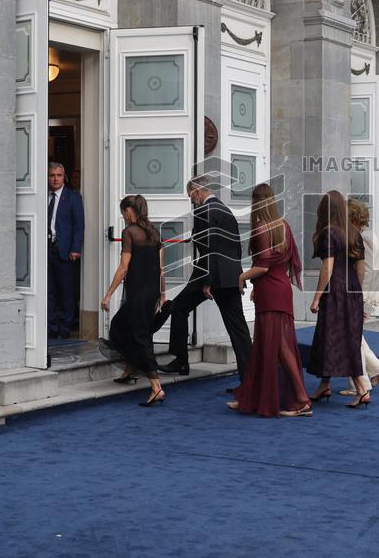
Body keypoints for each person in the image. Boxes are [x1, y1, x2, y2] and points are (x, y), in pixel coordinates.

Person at [227, 184, 312, 417]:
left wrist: (242, 276)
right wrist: (257, 287)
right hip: (280, 289)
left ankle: (302, 399)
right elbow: (281, 264)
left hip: (271, 292)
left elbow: (263, 266)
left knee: (279, 347)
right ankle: (250, 397)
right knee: (266, 347)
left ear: (256, 202)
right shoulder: (283, 226)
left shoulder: (261, 228)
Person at [163, 176, 253, 382]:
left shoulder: (204, 211)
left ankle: (181, 361)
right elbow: (234, 246)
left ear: (197, 191)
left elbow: (208, 249)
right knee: (238, 329)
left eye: (190, 196)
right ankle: (250, 380)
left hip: (211, 275)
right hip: (231, 277)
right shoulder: (225, 209)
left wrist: (207, 281)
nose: (191, 201)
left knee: (179, 307)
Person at [306, 190, 371, 409]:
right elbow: (360, 269)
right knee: (342, 336)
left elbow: (328, 267)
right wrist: (357, 296)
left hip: (335, 291)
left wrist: (316, 298)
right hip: (352, 289)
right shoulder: (354, 233)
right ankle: (324, 384)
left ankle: (361, 388)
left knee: (335, 336)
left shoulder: (329, 233)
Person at [100, 195, 166, 407]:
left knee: (140, 336)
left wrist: (108, 294)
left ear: (130, 211)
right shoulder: (154, 233)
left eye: (123, 212)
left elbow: (123, 268)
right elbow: (162, 268)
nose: (123, 216)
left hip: (137, 292)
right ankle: (130, 369)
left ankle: (156, 387)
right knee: (123, 326)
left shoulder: (129, 233)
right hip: (152, 291)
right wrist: (162, 294)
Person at [339, 199, 379, 397]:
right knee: (354, 336)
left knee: (352, 337)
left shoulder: (364, 237)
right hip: (363, 294)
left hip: (361, 294)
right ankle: (374, 371)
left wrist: (358, 298)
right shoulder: (367, 235)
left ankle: (361, 382)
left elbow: (367, 271)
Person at [47, 162, 84, 339]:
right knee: (49, 290)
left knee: (66, 291)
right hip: (46, 250)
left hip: (65, 251)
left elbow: (79, 225)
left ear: (64, 177)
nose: (55, 178)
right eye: (52, 175)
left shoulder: (73, 197)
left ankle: (64, 327)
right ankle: (51, 326)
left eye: (58, 175)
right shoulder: (42, 196)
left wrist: (76, 248)